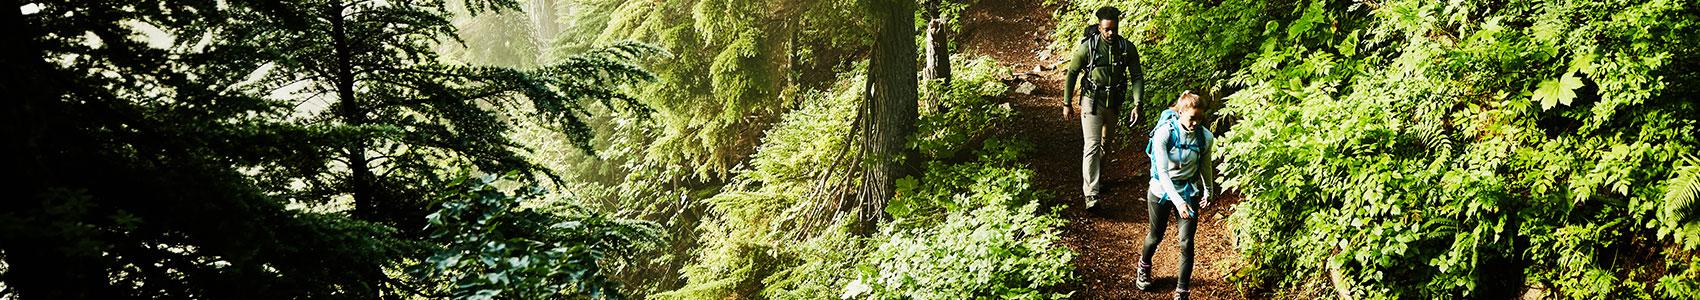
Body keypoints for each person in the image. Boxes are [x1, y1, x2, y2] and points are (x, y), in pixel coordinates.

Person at [1136, 90, 1215, 300]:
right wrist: (1178, 202)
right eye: (1192, 118)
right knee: (1155, 236)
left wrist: (1209, 190)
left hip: (1188, 192)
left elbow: (1205, 166)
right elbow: (1162, 173)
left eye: (1200, 118)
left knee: (1187, 242)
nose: (1196, 123)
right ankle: (1144, 265)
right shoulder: (1165, 133)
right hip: (1161, 190)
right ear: (1180, 112)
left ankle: (1182, 291)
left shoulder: (1205, 137)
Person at [1063, 6, 1143, 209]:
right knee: (1092, 145)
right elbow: (1072, 73)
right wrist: (1067, 103)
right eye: (1107, 29)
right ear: (1099, 27)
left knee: (1105, 145)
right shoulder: (1087, 48)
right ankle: (1091, 195)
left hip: (1114, 102)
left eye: (1114, 29)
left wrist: (1137, 103)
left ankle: (1096, 179)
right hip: (1092, 101)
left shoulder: (1126, 48)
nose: (1110, 33)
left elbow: (1136, 76)